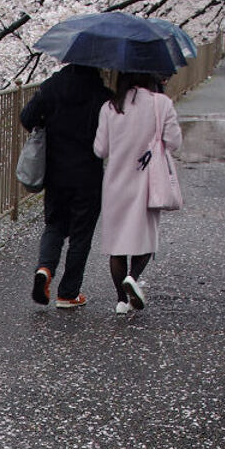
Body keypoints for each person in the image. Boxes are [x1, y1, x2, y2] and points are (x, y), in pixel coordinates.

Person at [93, 70, 182, 315]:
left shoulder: (110, 107)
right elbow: (174, 141)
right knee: (145, 239)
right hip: (147, 181)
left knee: (116, 245)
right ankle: (133, 277)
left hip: (115, 182)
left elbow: (100, 149)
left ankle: (122, 301)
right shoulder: (160, 103)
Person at [20, 63, 109, 309]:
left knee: (55, 224)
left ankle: (45, 268)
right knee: (81, 233)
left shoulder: (51, 87)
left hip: (56, 170)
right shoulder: (102, 96)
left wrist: (48, 124)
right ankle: (68, 293)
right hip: (88, 174)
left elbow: (26, 117)